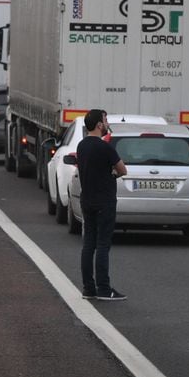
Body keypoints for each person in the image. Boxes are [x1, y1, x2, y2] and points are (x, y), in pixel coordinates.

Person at [74, 108, 128, 301]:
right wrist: (113, 173)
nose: (107, 123)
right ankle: (104, 289)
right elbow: (123, 170)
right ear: (99, 124)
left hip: (87, 199)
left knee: (88, 244)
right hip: (104, 201)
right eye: (105, 120)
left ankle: (88, 288)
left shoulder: (82, 146)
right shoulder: (105, 147)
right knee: (103, 245)